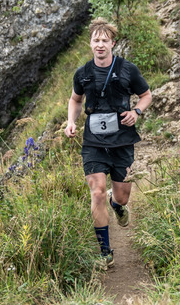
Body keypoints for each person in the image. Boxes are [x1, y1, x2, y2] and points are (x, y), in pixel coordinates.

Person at [64, 18, 152, 266]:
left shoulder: (127, 69)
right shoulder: (82, 74)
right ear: (90, 43)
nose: (100, 45)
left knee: (121, 197)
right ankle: (105, 252)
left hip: (122, 141)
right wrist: (71, 121)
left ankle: (118, 204)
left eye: (105, 40)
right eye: (96, 40)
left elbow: (146, 95)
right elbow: (75, 100)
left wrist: (136, 112)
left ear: (113, 43)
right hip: (93, 143)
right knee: (97, 192)